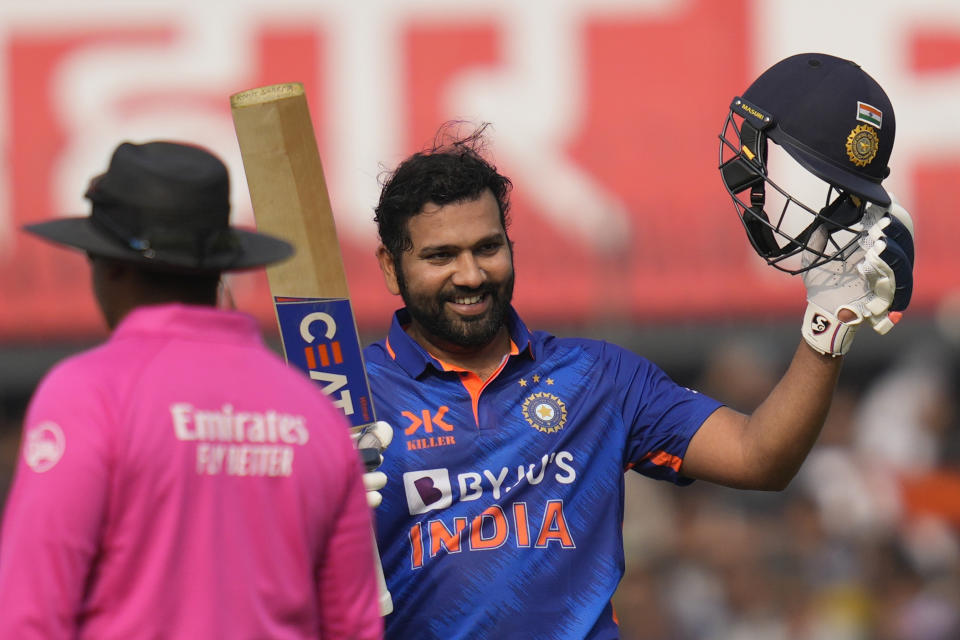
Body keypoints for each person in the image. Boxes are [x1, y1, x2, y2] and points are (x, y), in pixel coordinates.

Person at [360, 53, 915, 638]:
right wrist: (311, 493)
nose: (471, 275)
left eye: (487, 247)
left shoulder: (599, 377)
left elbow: (761, 457)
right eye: (441, 256)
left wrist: (828, 325)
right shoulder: (344, 395)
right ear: (392, 269)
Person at [0, 141, 384, 639]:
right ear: (221, 267)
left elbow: (30, 615)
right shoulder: (315, 413)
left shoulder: (87, 394)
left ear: (108, 264)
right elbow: (354, 628)